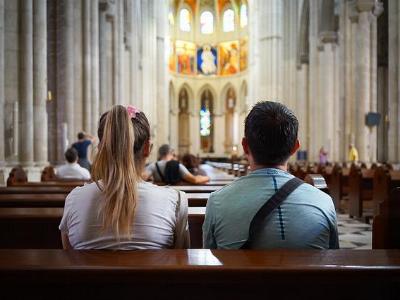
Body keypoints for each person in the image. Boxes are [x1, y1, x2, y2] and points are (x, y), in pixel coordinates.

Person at [203, 101, 339, 249]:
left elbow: (210, 260)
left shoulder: (217, 202)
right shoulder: (324, 201)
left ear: (245, 146)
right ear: (295, 147)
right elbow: (333, 260)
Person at [59, 105, 190, 249]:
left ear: (102, 149)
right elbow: (180, 259)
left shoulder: (74, 199)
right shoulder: (175, 202)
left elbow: (69, 259)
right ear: (147, 148)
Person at [143, 144, 209, 185]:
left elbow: (141, 179)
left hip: (158, 196)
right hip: (173, 194)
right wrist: (207, 177)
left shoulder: (153, 165)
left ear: (160, 154)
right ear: (172, 153)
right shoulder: (177, 165)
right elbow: (195, 180)